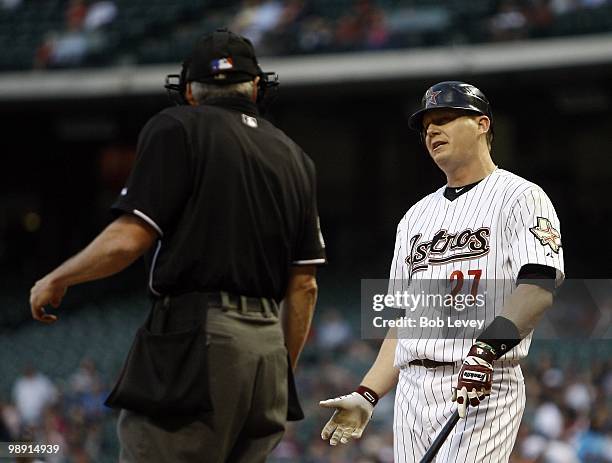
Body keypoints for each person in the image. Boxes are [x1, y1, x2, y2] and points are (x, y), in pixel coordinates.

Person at [30, 28, 326, 462]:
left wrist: (58, 277)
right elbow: (305, 286)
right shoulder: (295, 157)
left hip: (199, 339)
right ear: (258, 87)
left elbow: (128, 239)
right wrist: (279, 371)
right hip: (266, 353)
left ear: (189, 90)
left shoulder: (177, 127)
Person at [319, 81, 564, 462]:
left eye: (445, 119)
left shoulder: (520, 196)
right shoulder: (414, 217)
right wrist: (367, 393)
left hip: (483, 382)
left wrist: (485, 351)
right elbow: (403, 320)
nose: (432, 130)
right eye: (426, 126)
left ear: (482, 124)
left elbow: (538, 286)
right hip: (413, 389)